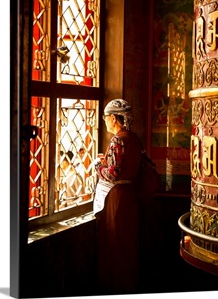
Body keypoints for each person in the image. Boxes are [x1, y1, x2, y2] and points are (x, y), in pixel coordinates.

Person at [93, 99, 142, 295]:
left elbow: (112, 174)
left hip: (116, 198)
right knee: (127, 244)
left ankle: (116, 287)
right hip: (130, 196)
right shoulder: (133, 138)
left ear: (113, 118)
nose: (104, 121)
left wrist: (98, 165)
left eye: (106, 117)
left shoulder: (118, 140)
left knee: (115, 243)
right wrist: (107, 161)